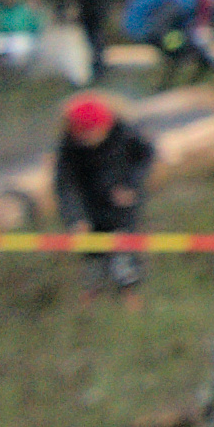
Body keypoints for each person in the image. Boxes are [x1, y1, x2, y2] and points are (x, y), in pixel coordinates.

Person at [54, 88, 160, 292]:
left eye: (94, 132)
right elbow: (64, 184)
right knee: (92, 262)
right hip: (90, 207)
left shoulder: (126, 133)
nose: (90, 139)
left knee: (125, 261)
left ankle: (131, 299)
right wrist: (74, 219)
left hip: (122, 207)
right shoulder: (69, 146)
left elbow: (146, 156)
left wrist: (131, 185)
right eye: (84, 134)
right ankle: (91, 301)